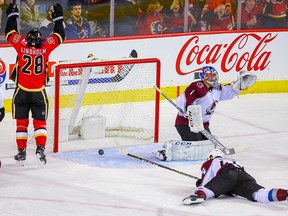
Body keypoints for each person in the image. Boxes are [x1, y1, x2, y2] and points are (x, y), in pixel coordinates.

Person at [5, 3, 65, 165]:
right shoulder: (45, 46)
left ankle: (22, 152)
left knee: (21, 124)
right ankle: (40, 149)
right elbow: (60, 35)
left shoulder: (21, 44)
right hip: (39, 92)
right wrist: (58, 17)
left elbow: (10, 32)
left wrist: (12, 15)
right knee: (40, 123)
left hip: (22, 92)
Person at [175, 66, 256, 141]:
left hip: (203, 125)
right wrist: (189, 110)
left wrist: (240, 85)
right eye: (208, 75)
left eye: (213, 75)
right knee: (196, 148)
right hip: (187, 124)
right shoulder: (198, 86)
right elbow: (183, 100)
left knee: (207, 147)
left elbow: (229, 92)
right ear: (203, 77)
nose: (211, 78)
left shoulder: (217, 89)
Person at [182, 148, 288, 205]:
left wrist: (200, 184)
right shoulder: (234, 161)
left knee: (205, 188)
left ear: (211, 156)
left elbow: (206, 181)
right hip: (244, 176)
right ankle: (285, 194)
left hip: (228, 175)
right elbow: (233, 181)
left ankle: (198, 196)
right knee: (259, 194)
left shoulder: (212, 161)